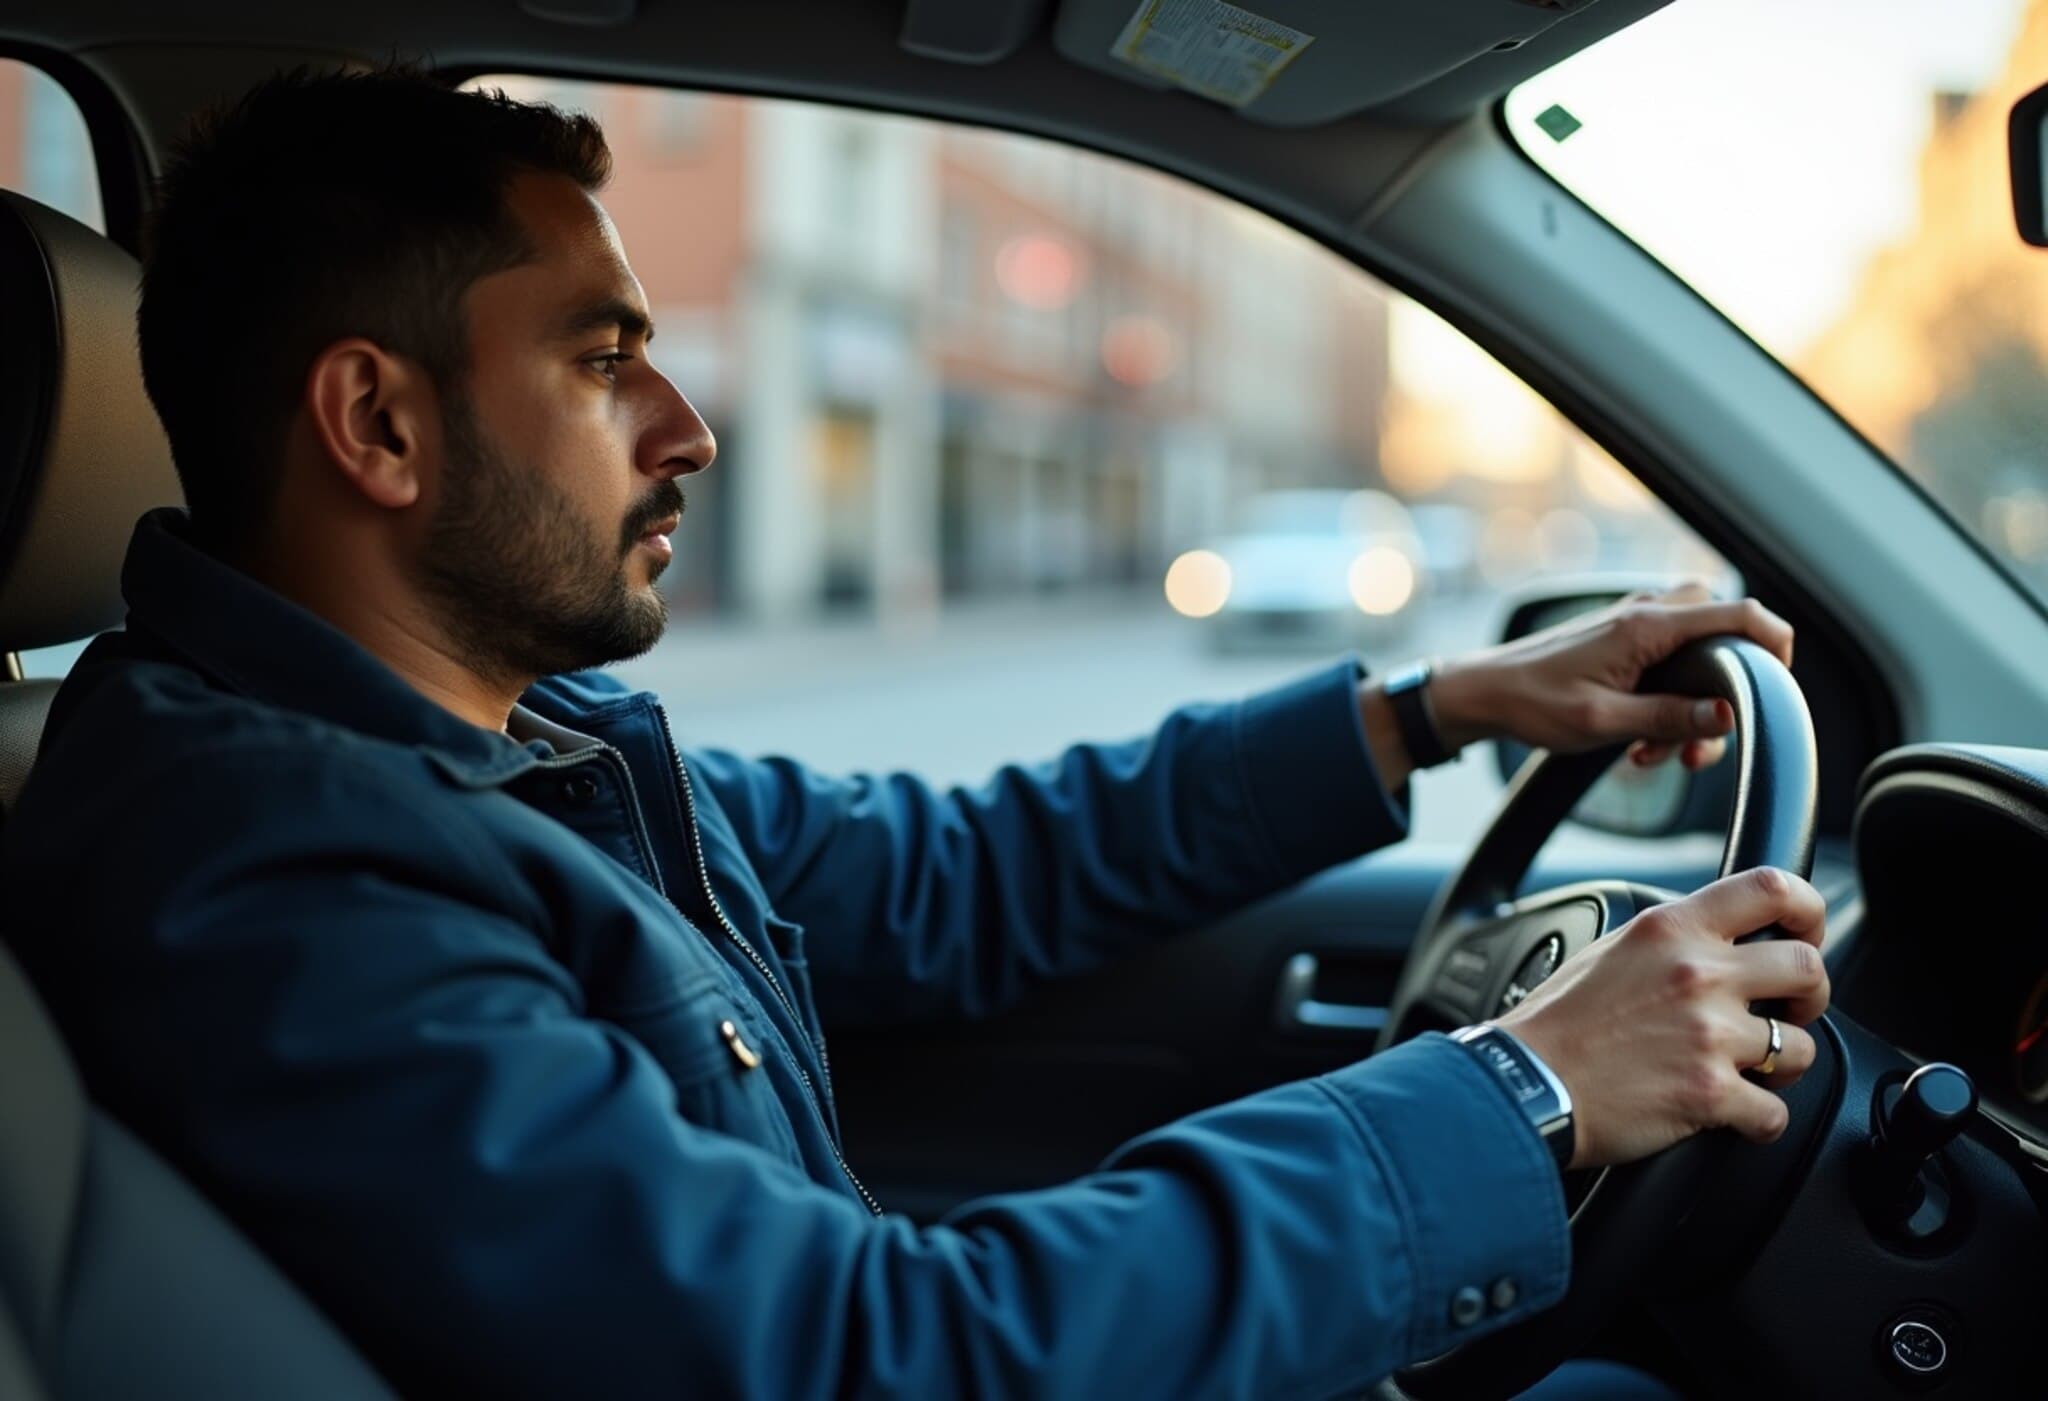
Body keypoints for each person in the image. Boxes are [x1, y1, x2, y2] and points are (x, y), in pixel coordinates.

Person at [1, 67, 1828, 1400]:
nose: (688, 425)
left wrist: (1441, 706)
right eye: (602, 354)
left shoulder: (507, 746)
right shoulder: (273, 873)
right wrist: (1521, 1090)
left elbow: (959, 867)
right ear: (376, 428)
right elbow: (845, 1360)